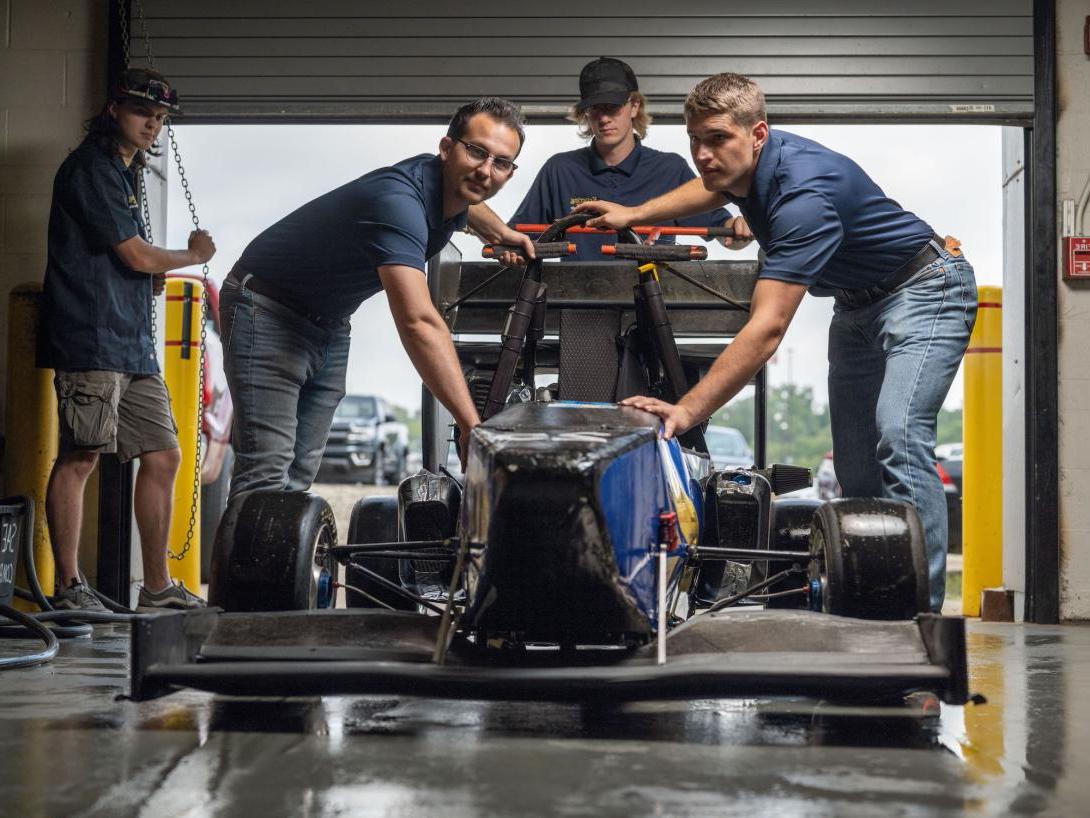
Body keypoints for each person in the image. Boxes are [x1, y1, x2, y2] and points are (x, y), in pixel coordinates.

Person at [577, 73, 976, 612]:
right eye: (695, 138)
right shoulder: (750, 164)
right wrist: (634, 214)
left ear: (757, 132)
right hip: (856, 305)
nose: (702, 153)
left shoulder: (803, 196)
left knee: (899, 437)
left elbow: (766, 331)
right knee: (857, 470)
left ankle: (922, 617)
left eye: (717, 138)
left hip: (926, 289)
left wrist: (686, 410)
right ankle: (866, 602)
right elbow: (711, 183)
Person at [221, 97, 534, 500]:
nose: (485, 170)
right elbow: (418, 322)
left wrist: (501, 233)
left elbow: (472, 204)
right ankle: (238, 565)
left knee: (298, 476)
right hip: (265, 310)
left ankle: (279, 563)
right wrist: (471, 426)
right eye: (476, 151)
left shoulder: (448, 189)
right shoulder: (397, 203)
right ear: (446, 147)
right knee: (264, 476)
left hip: (329, 323)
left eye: (501, 163)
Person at [38, 68, 216, 612]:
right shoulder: (91, 167)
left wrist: (148, 274)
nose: (153, 126)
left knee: (163, 456)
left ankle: (157, 589)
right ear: (114, 108)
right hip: (91, 336)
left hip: (131, 342)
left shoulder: (125, 173)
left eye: (160, 119)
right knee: (81, 457)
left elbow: (129, 259)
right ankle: (69, 588)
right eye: (145, 114)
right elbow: (135, 254)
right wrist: (191, 256)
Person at [509, 57, 739, 258]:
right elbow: (515, 238)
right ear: (585, 112)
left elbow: (726, 233)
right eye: (595, 108)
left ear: (634, 106)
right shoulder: (559, 170)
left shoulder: (670, 169)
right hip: (576, 302)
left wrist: (739, 227)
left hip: (652, 300)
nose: (604, 118)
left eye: (613, 107)